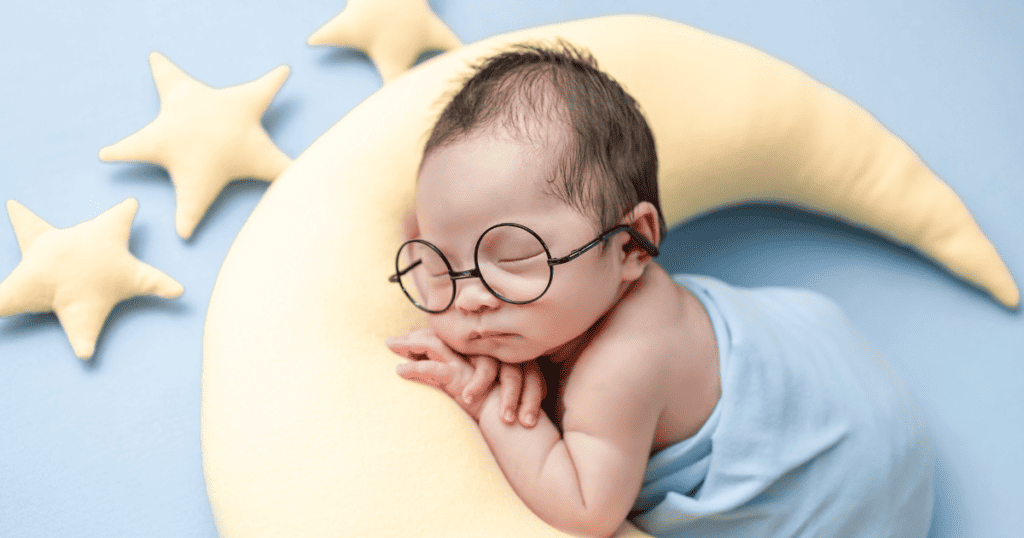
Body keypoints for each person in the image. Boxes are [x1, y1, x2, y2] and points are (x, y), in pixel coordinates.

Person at [385, 42, 933, 538]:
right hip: (825, 363)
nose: (470, 297)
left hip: (847, 485)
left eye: (514, 258)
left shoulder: (624, 362)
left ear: (631, 247)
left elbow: (586, 509)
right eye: (441, 265)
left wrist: (483, 403)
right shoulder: (565, 307)